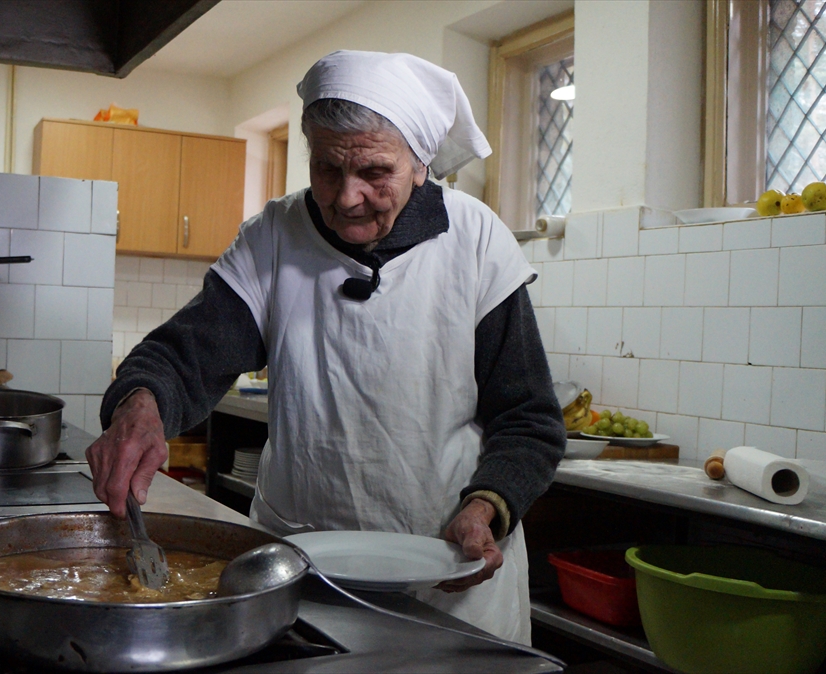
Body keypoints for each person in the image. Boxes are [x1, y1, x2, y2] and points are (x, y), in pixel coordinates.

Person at [86, 50, 565, 644]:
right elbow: (182, 356)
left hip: (452, 585)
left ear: (419, 165)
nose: (346, 197)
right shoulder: (273, 238)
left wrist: (486, 507)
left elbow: (530, 419)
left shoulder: (477, 242)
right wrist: (141, 404)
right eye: (327, 169)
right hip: (304, 574)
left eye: (374, 172)